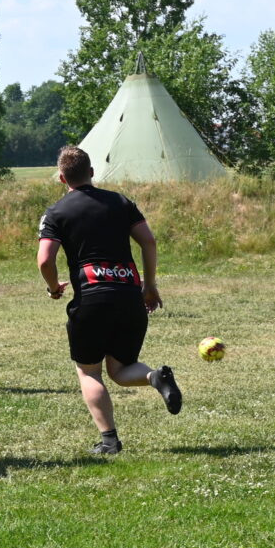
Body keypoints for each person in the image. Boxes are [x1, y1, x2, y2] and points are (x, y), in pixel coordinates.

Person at [37, 145, 180, 455]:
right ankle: (155, 377)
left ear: (62, 178)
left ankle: (109, 441)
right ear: (91, 172)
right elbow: (149, 241)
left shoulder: (57, 212)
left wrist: (53, 287)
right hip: (129, 296)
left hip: (91, 300)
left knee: (89, 372)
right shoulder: (121, 202)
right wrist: (149, 285)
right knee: (119, 369)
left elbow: (45, 260)